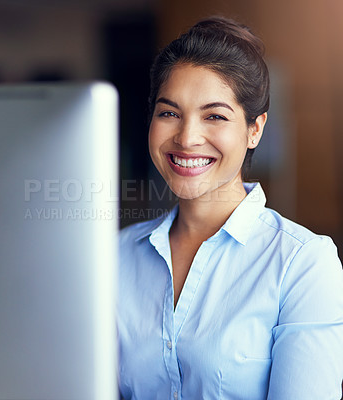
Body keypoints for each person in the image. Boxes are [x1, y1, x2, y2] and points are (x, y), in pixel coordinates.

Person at [117, 16, 343, 400]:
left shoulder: (301, 263)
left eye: (215, 116)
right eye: (169, 112)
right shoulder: (113, 256)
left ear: (254, 129)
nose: (187, 138)